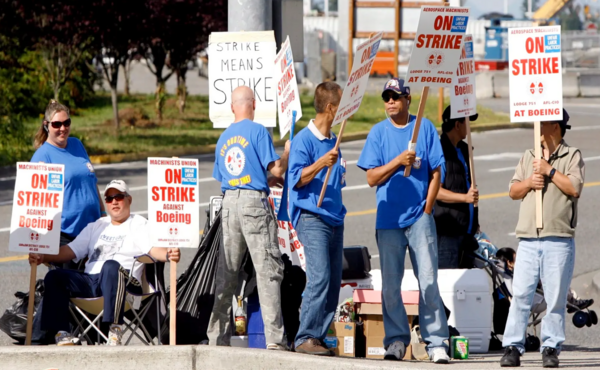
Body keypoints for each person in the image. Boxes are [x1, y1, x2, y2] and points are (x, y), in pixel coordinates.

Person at [357, 78, 450, 364]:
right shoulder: (377, 133)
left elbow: (437, 172)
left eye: (396, 97)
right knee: (391, 286)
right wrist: (398, 161)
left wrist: (427, 208)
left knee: (429, 281)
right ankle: (396, 340)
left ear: (408, 99)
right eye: (386, 97)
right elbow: (371, 177)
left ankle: (436, 341)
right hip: (388, 221)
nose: (390, 102)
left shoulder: (425, 129)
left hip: (420, 219)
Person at [29, 180, 180, 346]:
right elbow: (70, 250)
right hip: (92, 283)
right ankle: (62, 332)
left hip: (125, 284)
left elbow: (153, 250)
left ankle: (115, 329)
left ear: (129, 200)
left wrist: (168, 254)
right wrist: (43, 256)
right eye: (109, 198)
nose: (114, 201)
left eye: (119, 197)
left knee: (110, 266)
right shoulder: (97, 225)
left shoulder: (139, 224)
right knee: (54, 276)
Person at [500, 109, 584, 368]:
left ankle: (550, 347)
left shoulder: (573, 156)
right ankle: (513, 346)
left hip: (558, 238)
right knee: (521, 294)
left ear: (555, 127)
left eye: (542, 122)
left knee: (555, 297)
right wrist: (529, 182)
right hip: (528, 239)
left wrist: (549, 171)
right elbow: (513, 190)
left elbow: (574, 187)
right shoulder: (529, 156)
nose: (537, 127)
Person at [208, 86, 289, 350]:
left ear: (233, 107)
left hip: (229, 203)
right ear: (253, 105)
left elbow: (227, 178)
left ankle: (216, 339)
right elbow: (275, 167)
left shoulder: (224, 138)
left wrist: (262, 180)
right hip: (255, 204)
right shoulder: (258, 131)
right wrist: (287, 153)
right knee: (268, 272)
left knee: (227, 275)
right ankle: (275, 340)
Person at [287, 81, 346, 355]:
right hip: (312, 217)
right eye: (342, 105)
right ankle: (304, 337)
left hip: (334, 217)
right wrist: (322, 162)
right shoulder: (303, 140)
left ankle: (319, 336)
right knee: (319, 277)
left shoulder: (336, 140)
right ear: (331, 108)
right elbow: (296, 179)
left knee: (333, 281)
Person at [31, 100, 105, 248]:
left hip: (94, 230)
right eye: (57, 124)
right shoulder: (42, 157)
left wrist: (103, 213)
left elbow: (92, 181)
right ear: (47, 125)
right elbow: (35, 203)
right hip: (65, 237)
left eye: (66, 123)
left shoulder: (77, 144)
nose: (62, 128)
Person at [435, 106, 480, 269]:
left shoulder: (463, 149)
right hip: (448, 232)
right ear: (457, 125)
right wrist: (465, 198)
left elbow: (467, 184)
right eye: (467, 122)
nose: (469, 128)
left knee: (466, 288)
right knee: (449, 284)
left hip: (466, 231)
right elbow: (435, 191)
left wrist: (475, 220)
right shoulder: (439, 152)